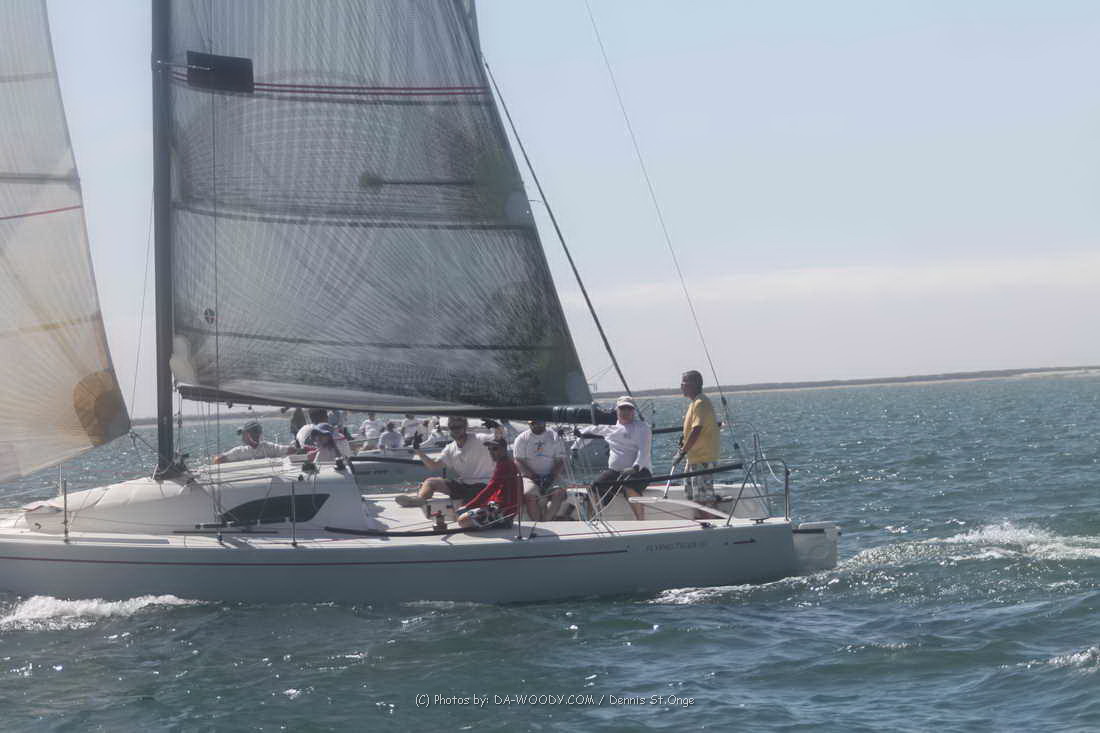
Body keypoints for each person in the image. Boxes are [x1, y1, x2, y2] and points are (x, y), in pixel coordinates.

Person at [578, 396, 653, 520]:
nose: (626, 411)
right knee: (594, 488)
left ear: (633, 411)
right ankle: (592, 519)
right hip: (615, 472)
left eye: (629, 409)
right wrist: (576, 443)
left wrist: (635, 467)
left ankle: (641, 521)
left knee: (629, 485)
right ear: (617, 410)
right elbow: (590, 430)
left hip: (640, 471)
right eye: (622, 408)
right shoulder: (609, 428)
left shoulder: (642, 428)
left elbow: (644, 451)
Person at [395, 416, 494, 507]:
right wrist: (418, 450)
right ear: (449, 429)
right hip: (464, 485)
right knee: (430, 482)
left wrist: (495, 427)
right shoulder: (450, 448)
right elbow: (433, 465)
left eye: (458, 427)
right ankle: (419, 500)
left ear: (465, 427)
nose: (455, 430)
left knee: (464, 509)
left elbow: (498, 437)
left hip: (484, 486)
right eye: (452, 427)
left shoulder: (480, 439)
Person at [673, 370, 722, 509]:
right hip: (693, 458)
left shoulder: (701, 403)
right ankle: (700, 518)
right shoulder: (693, 403)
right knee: (693, 496)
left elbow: (697, 429)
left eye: (683, 383)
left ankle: (710, 519)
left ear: (694, 384)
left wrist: (682, 452)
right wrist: (684, 441)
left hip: (702, 458)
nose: (681, 386)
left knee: (703, 500)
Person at [457, 438, 521, 529]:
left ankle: (500, 522)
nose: (491, 452)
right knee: (467, 512)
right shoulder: (504, 462)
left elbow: (491, 488)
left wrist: (468, 506)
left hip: (504, 510)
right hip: (500, 506)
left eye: (495, 449)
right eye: (489, 449)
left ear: (504, 449)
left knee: (463, 521)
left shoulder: (505, 465)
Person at [513, 419, 567, 521]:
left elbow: (560, 461)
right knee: (529, 495)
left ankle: (545, 522)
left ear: (545, 422)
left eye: (540, 423)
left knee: (559, 493)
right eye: (533, 423)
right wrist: (533, 476)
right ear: (529, 424)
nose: (536, 425)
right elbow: (518, 461)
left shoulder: (555, 437)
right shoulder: (521, 439)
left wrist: (551, 476)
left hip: (551, 476)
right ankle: (537, 523)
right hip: (529, 477)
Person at [213, 420, 294, 464]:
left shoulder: (239, 452)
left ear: (248, 435)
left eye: (243, 434)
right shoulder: (270, 447)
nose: (242, 437)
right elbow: (292, 450)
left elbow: (217, 460)